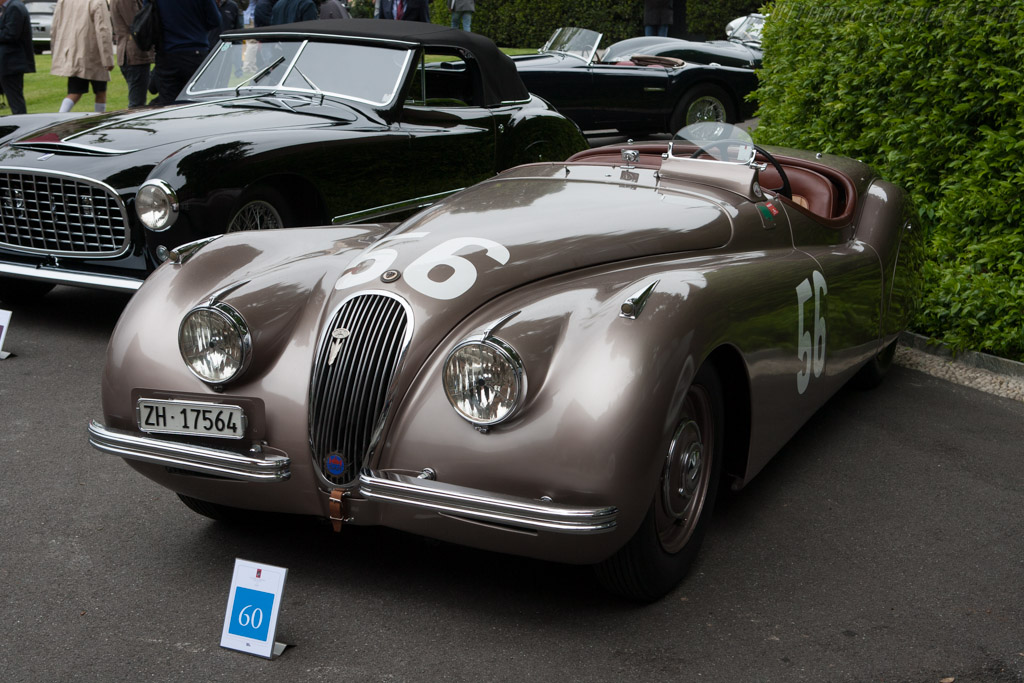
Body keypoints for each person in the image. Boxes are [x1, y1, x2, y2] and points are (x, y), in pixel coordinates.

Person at [50, 0, 115, 113]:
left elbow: (55, 27)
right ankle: (98, 121)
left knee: (75, 91)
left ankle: (59, 117)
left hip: (72, 51)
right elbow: (103, 30)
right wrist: (108, 59)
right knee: (100, 91)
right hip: (93, 53)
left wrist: (56, 52)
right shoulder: (98, 2)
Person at [151, 0, 220, 106]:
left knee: (168, 105)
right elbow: (215, 20)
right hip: (195, 50)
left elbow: (149, 17)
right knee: (197, 102)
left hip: (167, 53)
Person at [111, 0, 154, 109]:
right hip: (134, 54)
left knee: (139, 100)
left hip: (132, 53)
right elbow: (137, 23)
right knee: (137, 105)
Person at [0, 0, 35, 114]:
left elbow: (11, 34)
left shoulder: (14, 7)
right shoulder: (10, 7)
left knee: (15, 99)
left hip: (11, 63)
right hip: (7, 62)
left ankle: (21, 126)